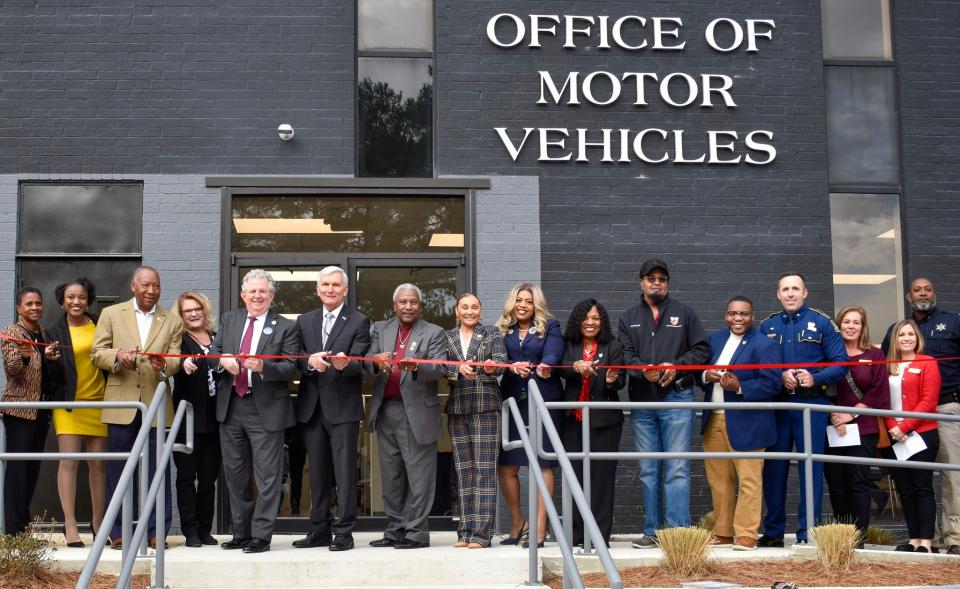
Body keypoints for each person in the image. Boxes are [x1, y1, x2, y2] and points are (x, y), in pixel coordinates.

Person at [616, 259, 710, 549]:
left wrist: (677, 366)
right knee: (648, 469)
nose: (657, 282)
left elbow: (702, 349)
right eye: (651, 278)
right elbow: (624, 355)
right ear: (641, 282)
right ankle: (652, 530)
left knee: (677, 467)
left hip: (678, 397)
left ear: (667, 283)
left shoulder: (684, 313)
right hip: (643, 401)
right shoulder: (628, 317)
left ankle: (678, 533)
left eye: (662, 278)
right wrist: (643, 369)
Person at [91, 266, 183, 549]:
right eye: (145, 285)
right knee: (119, 469)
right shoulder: (111, 314)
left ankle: (157, 533)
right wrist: (117, 356)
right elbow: (97, 352)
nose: (151, 291)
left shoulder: (172, 320)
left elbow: (176, 359)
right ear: (133, 286)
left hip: (157, 405)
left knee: (159, 470)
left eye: (156, 286)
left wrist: (163, 364)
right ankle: (119, 531)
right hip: (121, 404)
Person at [212, 269, 299, 554]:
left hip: (266, 409)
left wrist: (264, 367)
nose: (257, 296)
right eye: (252, 291)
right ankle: (241, 532)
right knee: (235, 474)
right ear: (243, 295)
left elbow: (290, 368)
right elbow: (215, 353)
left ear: (272, 296)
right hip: (232, 406)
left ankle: (261, 535)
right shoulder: (230, 319)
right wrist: (223, 361)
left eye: (263, 291)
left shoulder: (286, 327)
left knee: (267, 476)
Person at [758, 272, 848, 547]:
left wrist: (816, 377)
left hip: (812, 405)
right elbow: (758, 363)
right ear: (778, 294)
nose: (790, 293)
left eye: (795, 288)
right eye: (785, 289)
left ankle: (808, 533)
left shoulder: (822, 322)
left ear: (805, 292)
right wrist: (779, 374)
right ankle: (773, 532)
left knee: (811, 468)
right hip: (779, 406)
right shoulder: (767, 326)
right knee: (774, 470)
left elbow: (841, 363)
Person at [293, 266, 371, 552]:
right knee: (317, 472)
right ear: (317, 289)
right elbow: (295, 357)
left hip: (343, 408)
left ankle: (344, 532)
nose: (330, 289)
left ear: (345, 290)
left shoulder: (359, 321)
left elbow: (361, 361)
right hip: (312, 408)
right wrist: (309, 362)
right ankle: (319, 530)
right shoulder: (304, 320)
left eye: (335, 285)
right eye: (325, 284)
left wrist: (345, 364)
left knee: (345, 472)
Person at [881, 278, 960, 554]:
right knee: (910, 484)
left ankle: (954, 538)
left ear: (934, 293)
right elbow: (883, 385)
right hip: (902, 424)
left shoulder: (952, 323)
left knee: (951, 478)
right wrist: (897, 425)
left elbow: (929, 397)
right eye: (917, 290)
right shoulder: (895, 335)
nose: (923, 294)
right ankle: (924, 538)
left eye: (928, 289)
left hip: (945, 410)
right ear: (908, 295)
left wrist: (907, 423)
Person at [366, 283, 446, 550]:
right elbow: (367, 359)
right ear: (394, 306)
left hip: (417, 412)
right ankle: (395, 530)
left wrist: (417, 367)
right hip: (386, 409)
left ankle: (416, 533)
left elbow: (439, 367)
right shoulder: (380, 328)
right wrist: (375, 360)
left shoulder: (434, 332)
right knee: (391, 477)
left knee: (419, 477)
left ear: (419, 306)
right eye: (403, 302)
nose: (408, 306)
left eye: (413, 302)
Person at [700, 296, 780, 551]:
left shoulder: (764, 344)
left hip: (749, 422)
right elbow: (697, 371)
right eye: (733, 313)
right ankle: (723, 532)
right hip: (714, 417)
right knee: (719, 479)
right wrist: (706, 374)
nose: (737, 318)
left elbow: (772, 384)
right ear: (726, 315)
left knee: (749, 479)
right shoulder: (714, 340)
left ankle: (746, 533)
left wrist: (740, 386)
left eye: (743, 314)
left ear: (752, 316)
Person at [495, 283, 564, 548]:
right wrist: (510, 367)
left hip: (543, 400)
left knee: (543, 463)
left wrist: (545, 366)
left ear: (537, 305)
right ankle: (517, 522)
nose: (523, 304)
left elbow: (554, 354)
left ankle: (539, 529)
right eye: (519, 300)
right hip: (513, 402)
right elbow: (498, 359)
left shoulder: (551, 326)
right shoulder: (504, 330)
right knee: (507, 466)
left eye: (529, 301)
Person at [556, 298, 624, 547]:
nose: (591, 322)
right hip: (572, 421)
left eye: (596, 318)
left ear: (602, 322)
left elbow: (619, 381)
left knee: (602, 479)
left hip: (604, 422)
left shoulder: (614, 346)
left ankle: (598, 536)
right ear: (578, 321)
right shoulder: (568, 345)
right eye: (586, 318)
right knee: (574, 477)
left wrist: (611, 380)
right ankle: (575, 536)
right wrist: (574, 366)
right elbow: (558, 368)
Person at [46, 278, 108, 547]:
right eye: (70, 297)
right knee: (69, 463)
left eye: (81, 297)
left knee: (99, 466)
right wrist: (50, 361)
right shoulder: (52, 331)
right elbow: (49, 378)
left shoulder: (101, 324)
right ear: (62, 300)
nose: (76, 301)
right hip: (69, 405)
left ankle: (98, 523)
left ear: (88, 299)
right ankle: (70, 526)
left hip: (101, 402)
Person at [444, 293, 507, 549]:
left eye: (474, 307)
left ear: (480, 311)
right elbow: (440, 365)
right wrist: (455, 369)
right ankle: (465, 531)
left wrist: (491, 367)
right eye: (464, 307)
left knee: (484, 470)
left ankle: (481, 534)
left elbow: (502, 364)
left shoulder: (491, 333)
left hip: (486, 407)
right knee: (463, 470)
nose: (470, 311)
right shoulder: (447, 337)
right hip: (458, 407)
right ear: (457, 312)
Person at [825, 305, 889, 543]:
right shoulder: (830, 355)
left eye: (856, 322)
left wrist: (849, 415)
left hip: (863, 428)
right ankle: (840, 538)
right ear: (839, 324)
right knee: (836, 483)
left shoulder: (874, 355)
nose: (850, 326)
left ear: (863, 327)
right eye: (846, 321)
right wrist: (835, 415)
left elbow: (879, 393)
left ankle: (858, 539)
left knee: (858, 483)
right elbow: (825, 388)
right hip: (832, 427)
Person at [1, 287, 56, 535]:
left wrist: (46, 357)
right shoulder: (12, 332)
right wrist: (22, 358)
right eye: (29, 304)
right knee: (18, 469)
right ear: (19, 309)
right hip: (20, 411)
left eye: (38, 303)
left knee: (32, 469)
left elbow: (41, 371)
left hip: (40, 411)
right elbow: (12, 371)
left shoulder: (40, 334)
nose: (35, 307)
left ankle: (23, 523)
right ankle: (14, 529)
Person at [884, 319, 941, 553]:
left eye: (911, 334)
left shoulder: (928, 363)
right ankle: (913, 538)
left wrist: (905, 426)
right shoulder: (888, 365)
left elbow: (929, 400)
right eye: (901, 335)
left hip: (923, 434)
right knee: (904, 489)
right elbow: (882, 402)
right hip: (895, 436)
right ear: (894, 339)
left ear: (918, 338)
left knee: (922, 487)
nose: (906, 338)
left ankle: (926, 542)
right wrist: (892, 427)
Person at [172, 291, 221, 548]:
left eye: (197, 309)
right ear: (181, 316)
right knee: (186, 477)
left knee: (209, 478)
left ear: (204, 310)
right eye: (187, 310)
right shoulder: (178, 340)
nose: (193, 313)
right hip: (188, 420)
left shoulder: (216, 339)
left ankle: (205, 529)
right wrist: (183, 364)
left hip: (215, 420)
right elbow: (172, 363)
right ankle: (190, 531)